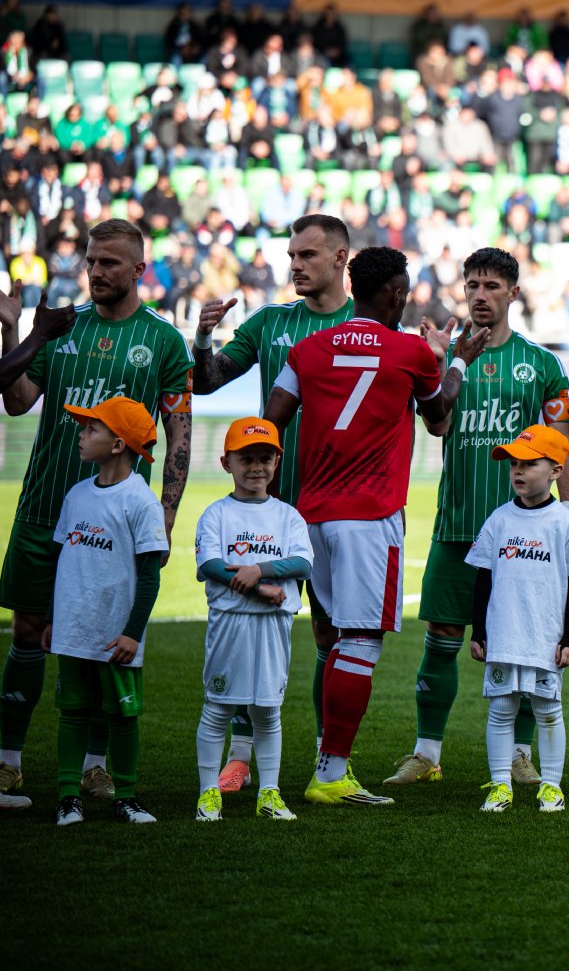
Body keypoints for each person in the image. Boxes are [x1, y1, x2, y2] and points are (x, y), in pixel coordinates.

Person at [263, 246, 486, 806]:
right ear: (395, 293)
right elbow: (438, 416)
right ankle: (331, 773)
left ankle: (320, 761)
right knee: (360, 643)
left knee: (338, 639)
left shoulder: (308, 348)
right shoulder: (410, 351)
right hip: (369, 515)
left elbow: (271, 421)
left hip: (312, 515)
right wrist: (457, 361)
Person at [0, 219, 193, 808]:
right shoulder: (62, 326)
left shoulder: (164, 341)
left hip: (116, 525)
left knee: (106, 641)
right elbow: (18, 402)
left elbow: (178, 432)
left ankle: (97, 768)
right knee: (27, 632)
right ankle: (9, 763)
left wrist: (167, 514)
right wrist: (12, 327)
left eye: (109, 263)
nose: (96, 271)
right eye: (91, 261)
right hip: (44, 505)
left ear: (139, 270)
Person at [386, 247, 569, 786]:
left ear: (513, 293)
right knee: (442, 636)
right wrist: (442, 364)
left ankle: (518, 754)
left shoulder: (541, 363)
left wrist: (568, 515)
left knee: (526, 646)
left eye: (492, 286)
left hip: (525, 534)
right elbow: (437, 426)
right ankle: (426, 753)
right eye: (472, 285)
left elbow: (562, 444)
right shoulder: (447, 359)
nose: (480, 295)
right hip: (458, 523)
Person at [192, 213, 353, 793]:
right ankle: (239, 755)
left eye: (308, 255)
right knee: (249, 626)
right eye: (292, 255)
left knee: (331, 634)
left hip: (340, 505)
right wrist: (203, 338)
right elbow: (206, 381)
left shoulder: (366, 327)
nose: (295, 265)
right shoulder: (270, 322)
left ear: (340, 259)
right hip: (267, 505)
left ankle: (326, 756)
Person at [49, 398, 168, 826]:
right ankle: (68, 797)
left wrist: (133, 632)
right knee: (73, 712)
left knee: (122, 714)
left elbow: (150, 576)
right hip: (73, 629)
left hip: (116, 634)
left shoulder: (141, 501)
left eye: (91, 429)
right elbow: (62, 560)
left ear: (118, 444)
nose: (81, 435)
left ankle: (127, 797)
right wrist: (52, 618)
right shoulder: (76, 495)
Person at [192, 417, 313, 822]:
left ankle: (270, 793)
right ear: (226, 462)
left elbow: (303, 562)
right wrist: (260, 588)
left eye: (265, 458)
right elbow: (210, 564)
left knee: (267, 711)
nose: (256, 467)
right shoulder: (216, 514)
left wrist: (259, 569)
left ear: (277, 461)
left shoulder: (288, 516)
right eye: (246, 459)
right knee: (218, 707)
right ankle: (208, 793)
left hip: (273, 626)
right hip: (230, 622)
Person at [472, 425, 569, 813]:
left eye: (529, 464)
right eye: (514, 464)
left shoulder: (566, 524)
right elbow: (483, 579)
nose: (518, 471)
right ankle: (500, 785)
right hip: (504, 636)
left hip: (545, 638)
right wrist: (478, 631)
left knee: (548, 712)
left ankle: (552, 787)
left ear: (556, 471)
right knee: (501, 711)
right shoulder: (499, 520)